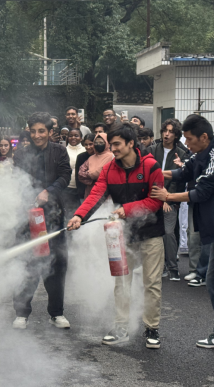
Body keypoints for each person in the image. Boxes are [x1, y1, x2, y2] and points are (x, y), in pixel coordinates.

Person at [150, 114, 214, 356]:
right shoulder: (200, 154)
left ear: (204, 137)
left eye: (189, 139)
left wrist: (168, 196)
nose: (186, 143)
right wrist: (156, 173)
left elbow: (201, 192)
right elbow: (184, 172)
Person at [68, 123, 165, 349]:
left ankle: (152, 328)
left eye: (117, 144)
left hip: (151, 233)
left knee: (151, 282)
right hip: (122, 234)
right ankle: (121, 327)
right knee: (121, 281)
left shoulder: (151, 165)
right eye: (111, 144)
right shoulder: (109, 169)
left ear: (131, 143)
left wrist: (126, 209)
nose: (113, 149)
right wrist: (79, 216)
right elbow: (95, 195)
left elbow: (156, 201)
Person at [12, 112, 72, 330]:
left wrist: (49, 191)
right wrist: (30, 196)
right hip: (27, 215)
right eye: (33, 131)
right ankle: (21, 313)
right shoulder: (21, 153)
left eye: (41, 131)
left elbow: (65, 176)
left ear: (50, 132)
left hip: (54, 215)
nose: (37, 135)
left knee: (57, 263)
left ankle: (56, 313)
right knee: (27, 263)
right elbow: (18, 179)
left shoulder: (59, 151)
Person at [147, 119, 190, 281]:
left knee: (168, 232)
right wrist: (158, 196)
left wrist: (167, 198)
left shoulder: (182, 153)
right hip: (152, 198)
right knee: (153, 234)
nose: (167, 134)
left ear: (176, 135)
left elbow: (179, 180)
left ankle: (173, 267)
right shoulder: (152, 150)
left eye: (171, 131)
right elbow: (149, 175)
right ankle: (159, 266)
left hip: (170, 200)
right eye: (165, 130)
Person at [78, 133, 114, 198]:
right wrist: (91, 175)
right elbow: (80, 174)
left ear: (107, 143)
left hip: (106, 192)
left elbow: (107, 173)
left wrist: (92, 174)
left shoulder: (112, 157)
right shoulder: (91, 158)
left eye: (101, 142)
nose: (98, 144)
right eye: (96, 142)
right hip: (90, 192)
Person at [64, 128, 85, 216]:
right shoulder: (63, 150)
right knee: (70, 214)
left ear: (81, 138)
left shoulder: (85, 150)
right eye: (70, 136)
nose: (73, 138)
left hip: (83, 188)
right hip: (68, 188)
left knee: (82, 213)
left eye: (76, 136)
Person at [75, 134, 95, 201]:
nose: (88, 147)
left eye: (91, 144)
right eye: (86, 144)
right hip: (83, 192)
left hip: (97, 191)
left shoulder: (100, 156)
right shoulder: (80, 157)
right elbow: (78, 176)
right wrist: (80, 192)